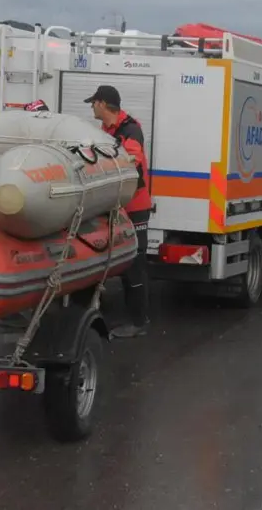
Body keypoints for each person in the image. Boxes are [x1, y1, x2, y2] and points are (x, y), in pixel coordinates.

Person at [85, 85, 152, 339]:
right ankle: (127, 317)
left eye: (93, 103)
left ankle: (138, 322)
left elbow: (131, 163)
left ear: (103, 104)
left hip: (134, 207)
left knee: (135, 264)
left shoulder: (130, 130)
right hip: (116, 206)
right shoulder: (107, 131)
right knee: (121, 263)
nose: (92, 107)